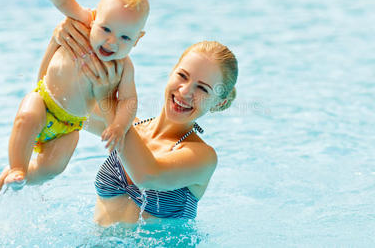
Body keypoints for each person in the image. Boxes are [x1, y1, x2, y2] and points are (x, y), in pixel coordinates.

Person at [53, 19, 238, 224]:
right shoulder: (129, 128)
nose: (185, 92)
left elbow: (147, 175)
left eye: (203, 89)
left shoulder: (202, 157)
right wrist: (59, 41)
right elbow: (56, 102)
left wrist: (107, 99)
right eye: (182, 76)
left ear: (218, 103)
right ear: (171, 72)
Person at [0, 0, 149, 197]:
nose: (112, 42)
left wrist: (119, 126)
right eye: (106, 29)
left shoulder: (124, 67)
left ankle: (19, 177)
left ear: (138, 39)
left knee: (52, 168)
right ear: (94, 17)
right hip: (43, 102)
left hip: (70, 125)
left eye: (125, 37)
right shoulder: (82, 25)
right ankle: (17, 167)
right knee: (27, 118)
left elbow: (129, 100)